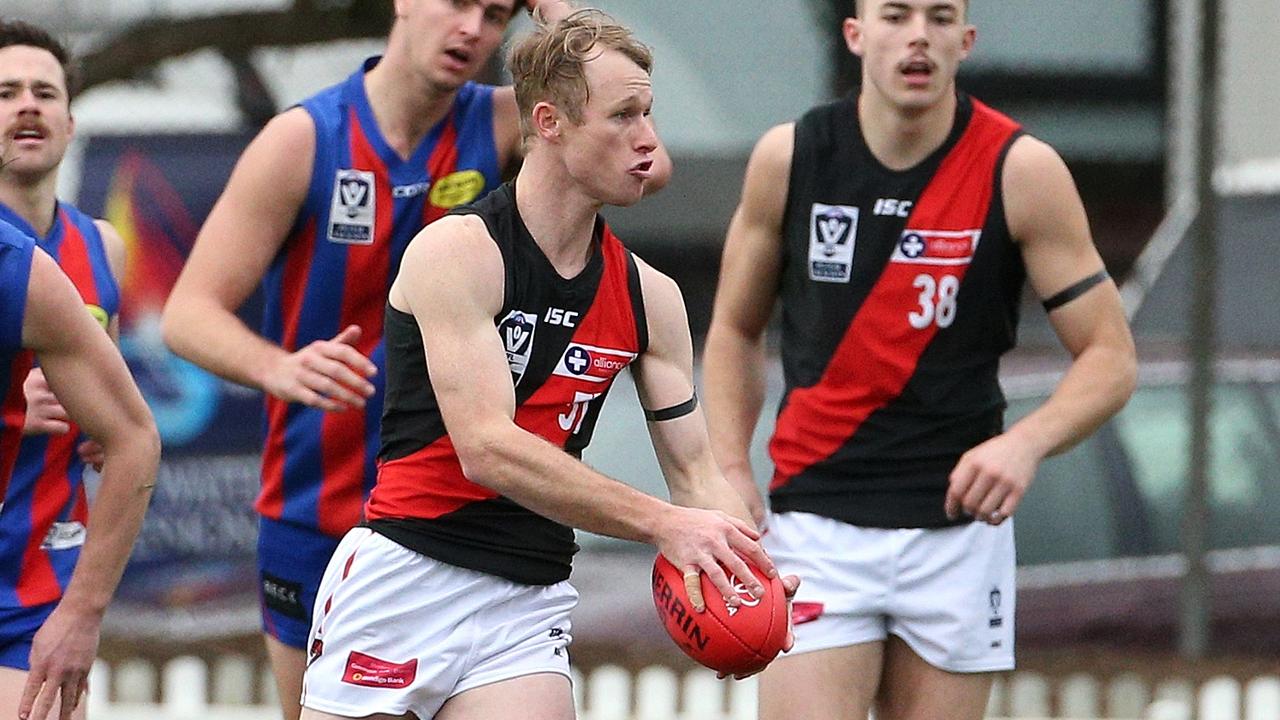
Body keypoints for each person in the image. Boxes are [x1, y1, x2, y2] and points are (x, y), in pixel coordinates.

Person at [159, 1, 665, 717]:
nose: (472, 30)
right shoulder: (306, 138)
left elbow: (643, 162)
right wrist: (280, 367)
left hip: (465, 528)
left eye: (495, 14)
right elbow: (187, 314)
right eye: (456, 3)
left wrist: (564, 19)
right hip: (322, 501)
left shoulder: (505, 121)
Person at [298, 11, 793, 719]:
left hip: (524, 598)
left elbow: (696, 474)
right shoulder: (456, 253)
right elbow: (488, 449)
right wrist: (665, 525)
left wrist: (744, 566)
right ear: (550, 121)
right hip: (405, 576)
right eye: (623, 115)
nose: (649, 139)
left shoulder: (651, 297)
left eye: (649, 112)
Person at [702, 1, 1138, 719]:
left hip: (959, 531)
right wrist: (726, 468)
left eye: (940, 18)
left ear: (965, 42)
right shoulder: (792, 157)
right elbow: (732, 330)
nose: (917, 36)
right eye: (896, 14)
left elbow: (1111, 359)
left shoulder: (1020, 169)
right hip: (817, 522)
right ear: (856, 34)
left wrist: (1024, 445)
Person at [0, 20, 160, 720]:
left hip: (40, 579)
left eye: (44, 92)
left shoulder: (101, 246)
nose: (27, 106)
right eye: (5, 93)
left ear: (70, 122)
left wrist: (95, 430)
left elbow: (120, 423)